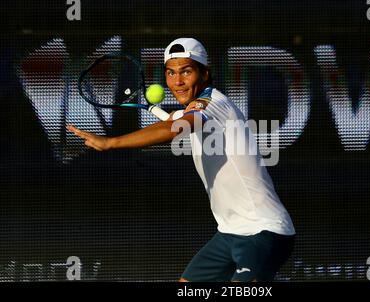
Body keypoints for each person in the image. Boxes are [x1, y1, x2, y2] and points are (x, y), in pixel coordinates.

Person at [67, 38, 296, 282]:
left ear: (205, 73)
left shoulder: (214, 103)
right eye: (171, 73)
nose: (177, 82)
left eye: (186, 71)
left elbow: (175, 128)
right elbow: (172, 121)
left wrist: (110, 142)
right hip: (228, 234)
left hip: (264, 232)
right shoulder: (191, 110)